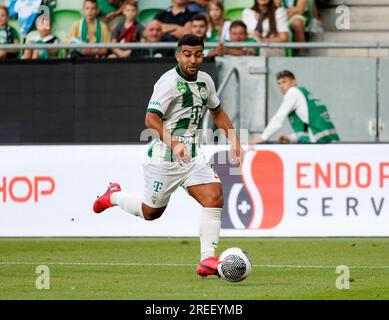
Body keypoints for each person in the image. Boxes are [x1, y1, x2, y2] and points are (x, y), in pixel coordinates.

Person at [93, 34, 243, 278]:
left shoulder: (205, 81)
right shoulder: (168, 82)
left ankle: (207, 260)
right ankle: (114, 196)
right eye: (187, 54)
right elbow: (150, 119)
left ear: (203, 55)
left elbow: (217, 112)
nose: (193, 59)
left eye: (198, 54)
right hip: (164, 158)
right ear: (178, 55)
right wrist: (174, 143)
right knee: (151, 213)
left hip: (193, 155)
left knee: (214, 197)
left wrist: (235, 139)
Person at [250, 70, 340, 144]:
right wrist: (290, 138)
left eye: (284, 82)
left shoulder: (293, 92)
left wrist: (263, 137)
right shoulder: (306, 95)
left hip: (318, 143)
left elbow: (279, 117)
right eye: (279, 83)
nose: (281, 86)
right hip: (329, 141)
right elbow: (307, 126)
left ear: (293, 82)